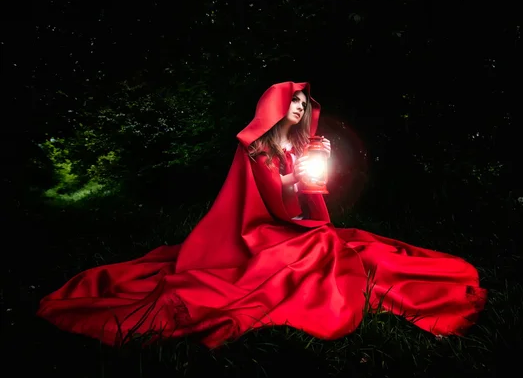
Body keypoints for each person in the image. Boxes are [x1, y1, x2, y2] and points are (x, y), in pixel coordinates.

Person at [38, 81, 487, 348]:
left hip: (288, 223)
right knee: (319, 250)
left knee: (335, 243)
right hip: (258, 231)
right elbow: (270, 202)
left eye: (303, 102)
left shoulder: (299, 143)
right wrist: (300, 176)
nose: (299, 107)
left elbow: (308, 198)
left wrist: (317, 162)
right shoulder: (255, 146)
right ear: (275, 106)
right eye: (292, 101)